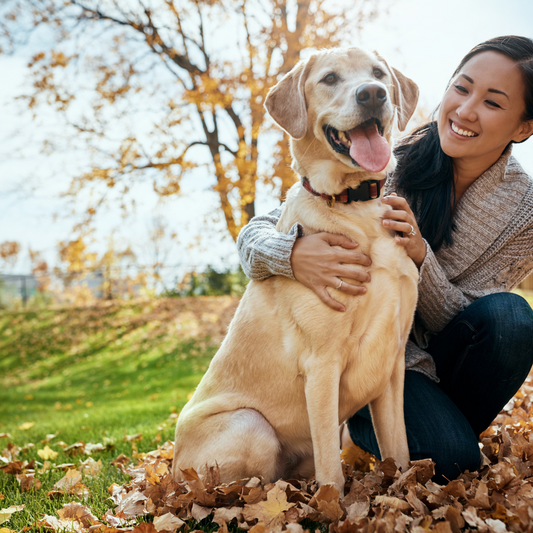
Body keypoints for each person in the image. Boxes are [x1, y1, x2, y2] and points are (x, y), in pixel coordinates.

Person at [236, 36, 533, 482]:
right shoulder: (375, 159)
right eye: (461, 88)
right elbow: (258, 229)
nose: (466, 110)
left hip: (450, 354)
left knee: (512, 319)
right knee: (452, 462)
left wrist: (419, 258)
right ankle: (400, 430)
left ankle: (439, 429)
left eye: (492, 102)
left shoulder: (523, 212)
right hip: (376, 362)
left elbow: (471, 320)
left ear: (523, 127)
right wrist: (292, 252)